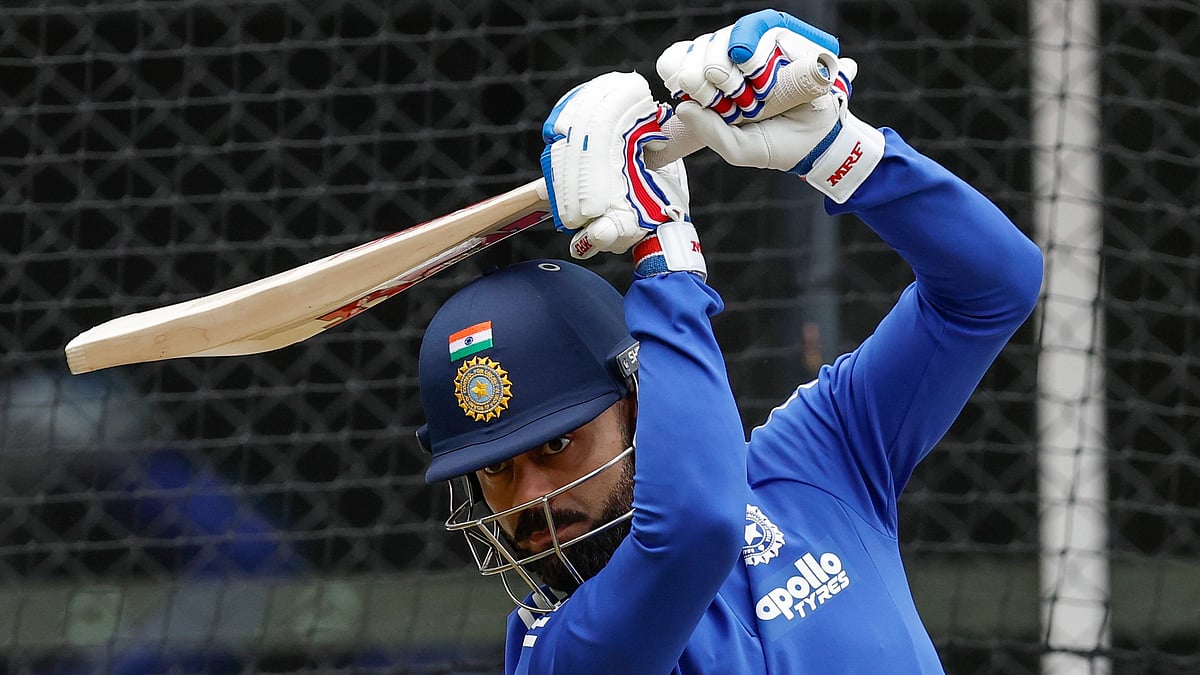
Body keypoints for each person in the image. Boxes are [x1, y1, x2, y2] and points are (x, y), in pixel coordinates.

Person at [415, 9, 1042, 674]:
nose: (529, 497)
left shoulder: (817, 460)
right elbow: (694, 530)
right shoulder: (559, 653)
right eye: (496, 468)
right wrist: (665, 251)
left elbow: (992, 286)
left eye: (557, 443)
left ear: (637, 402)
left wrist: (840, 154)